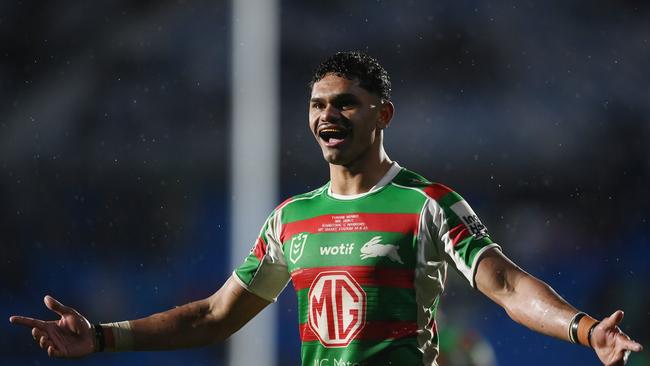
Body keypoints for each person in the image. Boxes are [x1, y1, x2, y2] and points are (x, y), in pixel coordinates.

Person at [9, 51, 643, 366]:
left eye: (345, 103)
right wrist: (103, 338)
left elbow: (504, 283)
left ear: (382, 114)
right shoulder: (290, 220)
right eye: (317, 105)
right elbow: (214, 314)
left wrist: (586, 330)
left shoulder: (425, 203)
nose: (327, 117)